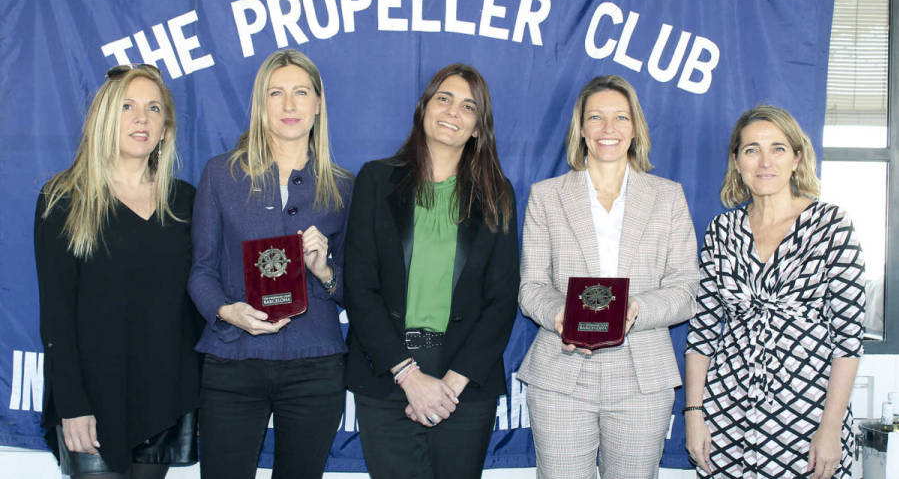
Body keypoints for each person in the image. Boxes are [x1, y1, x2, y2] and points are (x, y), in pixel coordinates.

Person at [517, 74, 700, 478]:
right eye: (596, 117)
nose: (608, 129)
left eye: (620, 117)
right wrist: (560, 315)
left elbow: (687, 288)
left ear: (635, 127)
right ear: (581, 128)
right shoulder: (546, 196)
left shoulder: (668, 197)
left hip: (642, 377)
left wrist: (636, 309)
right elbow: (531, 287)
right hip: (562, 374)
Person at [344, 63, 519, 479]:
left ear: (478, 127)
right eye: (444, 98)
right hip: (387, 377)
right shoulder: (376, 179)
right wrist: (409, 376)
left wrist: (450, 386)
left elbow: (501, 299)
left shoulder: (498, 194)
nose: (452, 112)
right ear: (424, 108)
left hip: (464, 387)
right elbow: (360, 286)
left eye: (468, 106)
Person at [188, 49, 352, 479]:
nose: (289, 105)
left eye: (301, 92)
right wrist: (226, 310)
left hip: (315, 364)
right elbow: (201, 271)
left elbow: (356, 289)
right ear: (261, 105)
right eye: (275, 93)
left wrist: (325, 271)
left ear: (318, 103)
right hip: (233, 360)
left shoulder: (343, 186)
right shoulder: (220, 174)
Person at [34, 63, 200, 479]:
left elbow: (204, 294)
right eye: (127, 106)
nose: (141, 118)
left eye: (153, 109)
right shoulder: (63, 199)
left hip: (165, 396)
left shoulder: (185, 201)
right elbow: (56, 314)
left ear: (166, 128)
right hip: (93, 402)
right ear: (105, 118)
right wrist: (72, 405)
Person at [684, 105, 865, 479]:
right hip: (726, 419)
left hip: (807, 420)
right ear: (736, 161)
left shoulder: (832, 226)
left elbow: (848, 341)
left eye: (778, 148)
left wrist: (830, 429)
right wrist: (694, 414)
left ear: (797, 158)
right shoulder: (722, 231)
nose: (765, 161)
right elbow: (701, 334)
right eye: (751, 149)